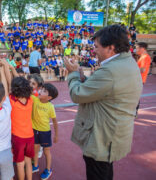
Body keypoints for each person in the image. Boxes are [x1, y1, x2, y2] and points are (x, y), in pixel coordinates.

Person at [64, 25, 143, 180]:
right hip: (113, 133)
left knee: (98, 173)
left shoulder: (110, 70)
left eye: (96, 47)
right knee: (105, 171)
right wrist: (82, 77)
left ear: (111, 48)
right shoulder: (127, 62)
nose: (94, 50)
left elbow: (78, 94)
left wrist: (72, 74)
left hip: (102, 137)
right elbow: (106, 89)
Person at [9, 77, 34, 180]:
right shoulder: (30, 100)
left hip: (18, 138)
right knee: (28, 162)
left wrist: (8, 68)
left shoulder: (11, 101)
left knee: (20, 164)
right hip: (30, 136)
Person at [31, 83, 58, 180]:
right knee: (35, 149)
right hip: (35, 130)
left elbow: (55, 121)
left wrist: (56, 135)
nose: (40, 91)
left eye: (44, 91)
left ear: (49, 97)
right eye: (41, 89)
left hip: (45, 132)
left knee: (46, 151)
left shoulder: (50, 106)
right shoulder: (35, 99)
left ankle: (48, 169)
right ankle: (35, 166)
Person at [135, 42, 151, 115]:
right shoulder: (143, 56)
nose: (136, 50)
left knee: (135, 96)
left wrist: (131, 70)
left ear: (142, 48)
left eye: (137, 48)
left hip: (139, 80)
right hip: (138, 79)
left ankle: (135, 111)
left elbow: (143, 69)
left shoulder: (145, 57)